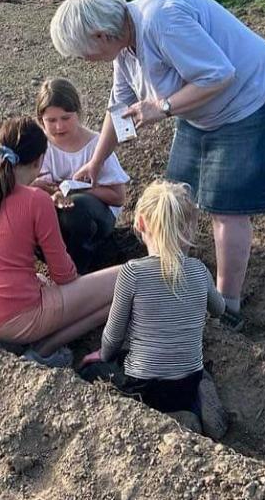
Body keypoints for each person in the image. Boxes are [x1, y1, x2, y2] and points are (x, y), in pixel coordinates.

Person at [49, 0, 265, 331]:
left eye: (83, 53)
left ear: (101, 35)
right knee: (175, 196)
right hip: (200, 111)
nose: (85, 61)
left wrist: (162, 108)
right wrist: (96, 162)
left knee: (226, 207)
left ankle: (226, 309)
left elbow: (220, 74)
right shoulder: (124, 45)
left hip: (248, 102)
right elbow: (119, 109)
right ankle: (174, 282)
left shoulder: (163, 21)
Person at [0, 117, 120, 366]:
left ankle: (27, 335)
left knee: (42, 281)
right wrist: (77, 289)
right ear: (39, 160)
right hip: (17, 319)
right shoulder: (36, 200)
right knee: (125, 280)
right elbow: (63, 274)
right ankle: (45, 350)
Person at [78, 180, 229, 438]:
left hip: (146, 386)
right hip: (187, 382)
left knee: (93, 372)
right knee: (199, 369)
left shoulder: (132, 272)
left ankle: (169, 419)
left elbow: (113, 336)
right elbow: (219, 309)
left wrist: (103, 354)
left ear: (140, 224)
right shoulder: (198, 271)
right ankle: (197, 400)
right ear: (190, 228)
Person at [32, 78, 129, 273]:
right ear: (40, 120)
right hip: (56, 214)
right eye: (51, 120)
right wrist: (53, 194)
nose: (59, 127)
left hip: (94, 218)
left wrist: (84, 188)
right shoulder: (40, 145)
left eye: (66, 118)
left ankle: (77, 271)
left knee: (76, 207)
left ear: (78, 113)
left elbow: (119, 197)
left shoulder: (97, 144)